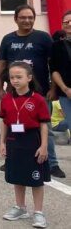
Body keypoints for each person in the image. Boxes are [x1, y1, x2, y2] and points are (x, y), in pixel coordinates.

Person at [0, 5, 64, 178]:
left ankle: (52, 163)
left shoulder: (43, 38)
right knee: (14, 126)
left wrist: (53, 88)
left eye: (30, 17)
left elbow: (52, 64)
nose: (27, 20)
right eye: (23, 17)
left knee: (44, 127)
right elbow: (1, 65)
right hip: (14, 92)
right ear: (16, 19)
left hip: (40, 92)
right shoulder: (8, 39)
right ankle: (11, 159)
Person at [0, 61, 50, 228]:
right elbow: (5, 122)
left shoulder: (38, 99)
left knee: (36, 178)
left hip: (32, 140)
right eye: (12, 77)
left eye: (19, 77)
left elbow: (43, 124)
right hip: (14, 139)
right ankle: (20, 207)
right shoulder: (7, 99)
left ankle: (38, 212)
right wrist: (2, 142)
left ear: (29, 78)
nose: (15, 80)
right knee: (17, 175)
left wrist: (43, 146)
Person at [50, 10, 71, 143]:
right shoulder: (56, 46)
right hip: (66, 93)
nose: (69, 24)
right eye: (66, 22)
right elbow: (54, 70)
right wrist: (65, 89)